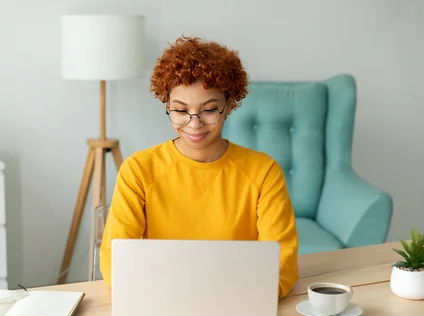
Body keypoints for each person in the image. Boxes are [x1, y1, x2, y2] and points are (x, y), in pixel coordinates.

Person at [99, 36, 299, 299]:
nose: (194, 125)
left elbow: (281, 261)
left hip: (240, 300)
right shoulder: (138, 170)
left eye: (209, 110)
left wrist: (247, 297)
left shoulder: (263, 172)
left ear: (228, 106)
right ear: (167, 105)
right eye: (180, 110)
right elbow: (115, 258)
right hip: (161, 299)